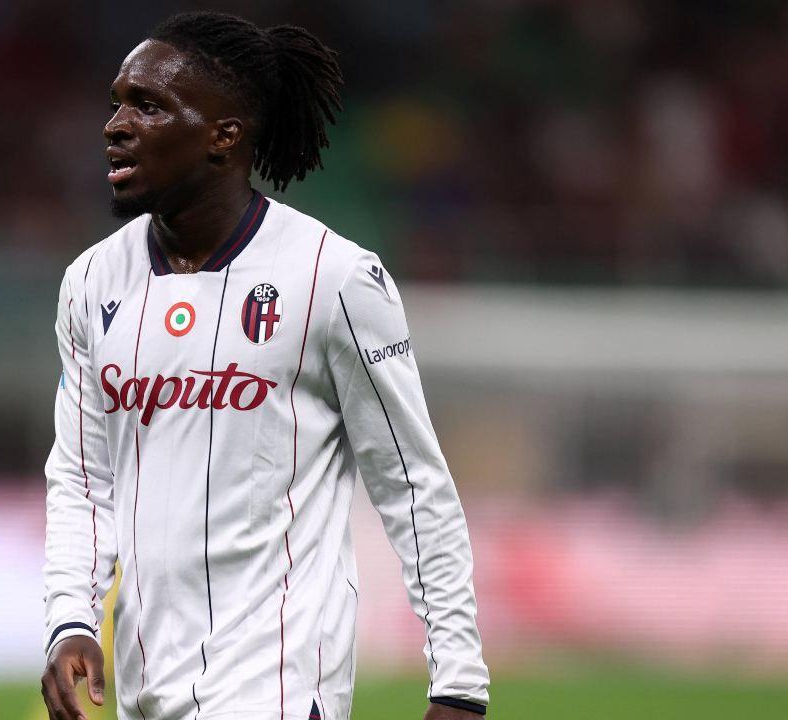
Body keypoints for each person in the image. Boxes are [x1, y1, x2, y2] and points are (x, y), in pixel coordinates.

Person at [41, 11, 489, 720]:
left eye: (148, 106)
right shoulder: (91, 283)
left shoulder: (334, 278)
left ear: (224, 136)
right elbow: (82, 477)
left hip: (279, 689)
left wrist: (458, 678)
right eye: (117, 103)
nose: (116, 126)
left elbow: (412, 484)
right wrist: (71, 618)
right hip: (146, 690)